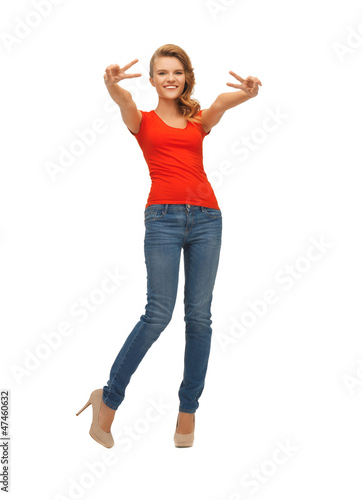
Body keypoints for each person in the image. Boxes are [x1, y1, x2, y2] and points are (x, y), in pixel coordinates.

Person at [76, 44, 262, 448]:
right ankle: (107, 401)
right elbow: (122, 99)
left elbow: (220, 104)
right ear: (153, 79)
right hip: (162, 220)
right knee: (157, 314)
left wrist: (248, 92)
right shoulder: (140, 120)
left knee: (199, 318)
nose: (170, 79)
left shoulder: (197, 120)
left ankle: (187, 413)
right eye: (162, 73)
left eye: (176, 72)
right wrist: (110, 84)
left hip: (208, 219)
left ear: (185, 76)